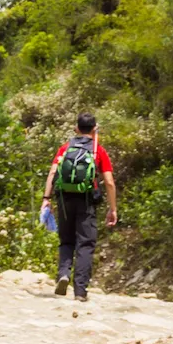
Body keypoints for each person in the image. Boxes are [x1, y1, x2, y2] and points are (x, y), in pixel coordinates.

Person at [41, 113, 118, 302]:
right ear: (94, 129)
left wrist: (46, 198)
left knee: (66, 240)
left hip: (64, 200)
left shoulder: (65, 148)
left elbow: (53, 172)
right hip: (86, 201)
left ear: (76, 128)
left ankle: (63, 274)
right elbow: (108, 181)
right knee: (85, 243)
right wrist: (113, 208)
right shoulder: (97, 151)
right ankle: (80, 291)